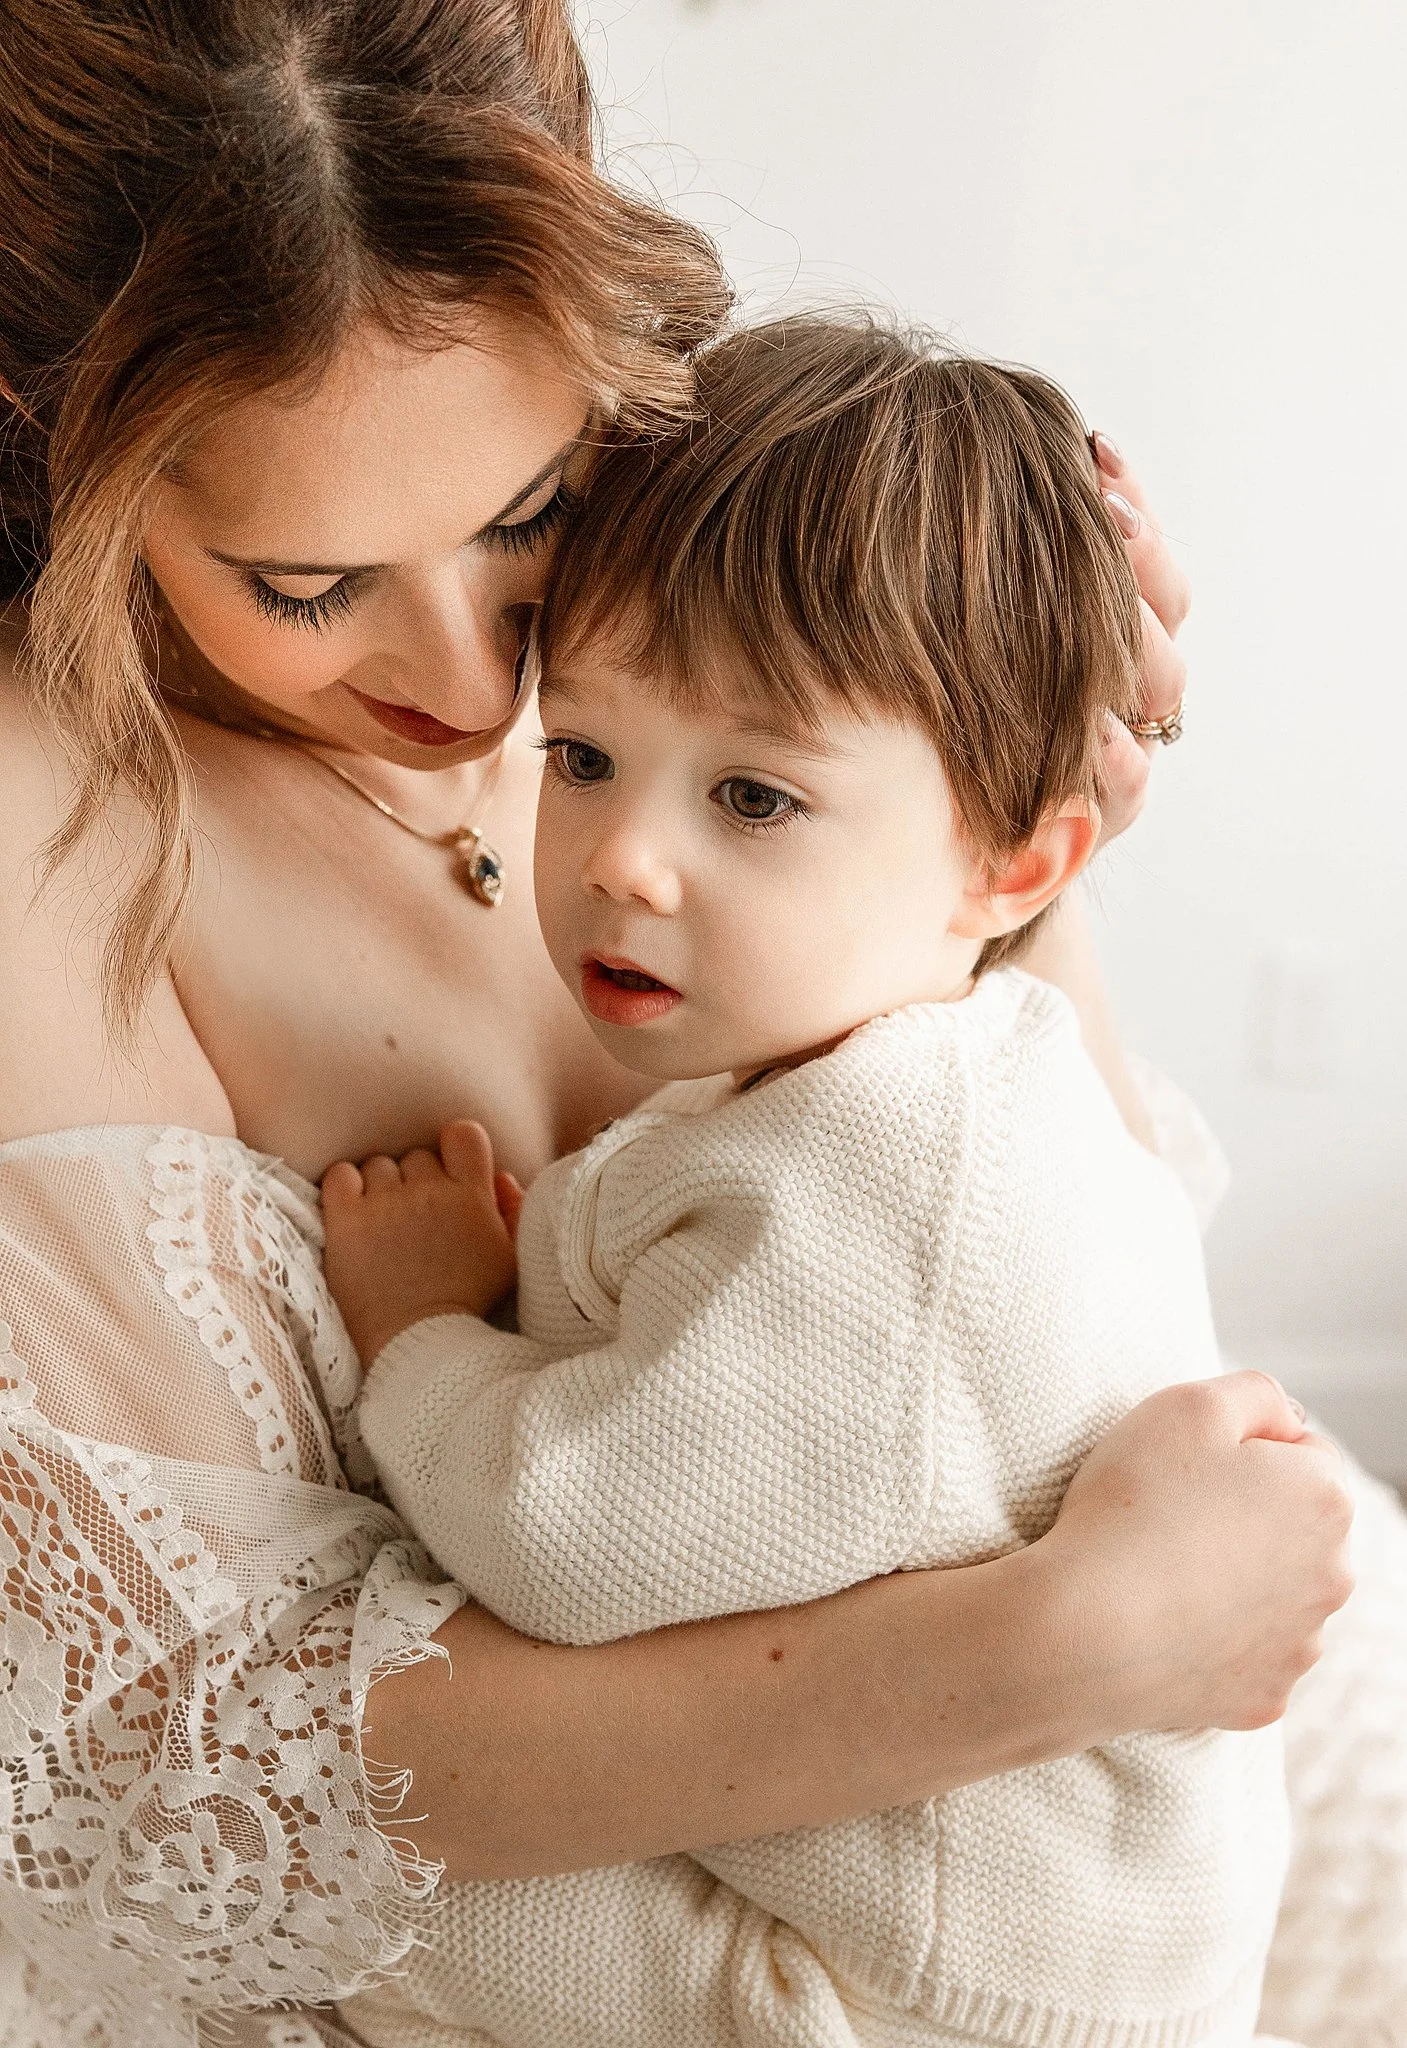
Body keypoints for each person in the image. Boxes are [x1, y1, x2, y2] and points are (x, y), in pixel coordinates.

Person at [0, 6, 1361, 2048]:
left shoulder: (710, 535)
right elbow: (172, 1779)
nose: (480, 678)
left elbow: (1036, 1267)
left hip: (1121, 1810)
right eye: (306, 583)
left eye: (530, 506)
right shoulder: (56, 825)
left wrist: (1005, 843)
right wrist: (1058, 1646)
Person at [318, 321, 1291, 2048]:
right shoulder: (954, 1061)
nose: (623, 856)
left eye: (752, 797)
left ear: (1017, 863)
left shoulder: (872, 1184)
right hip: (1071, 1929)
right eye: (584, 756)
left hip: (933, 1998)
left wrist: (421, 1337)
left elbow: (566, 1543)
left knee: (388, 1905)